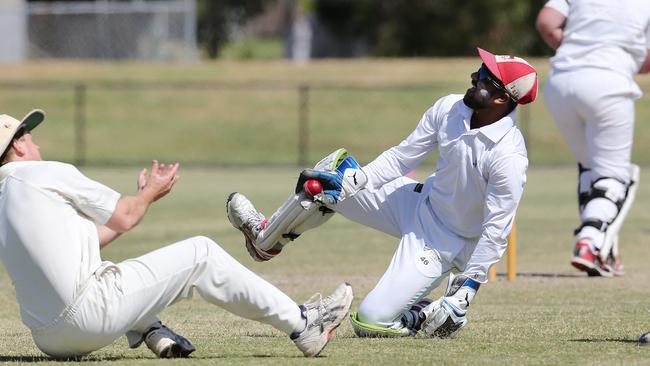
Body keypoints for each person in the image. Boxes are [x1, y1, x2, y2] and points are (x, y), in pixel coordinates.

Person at [227, 48, 537, 338]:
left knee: (370, 321)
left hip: (447, 243)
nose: (474, 75)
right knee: (329, 179)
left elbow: (497, 229)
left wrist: (466, 291)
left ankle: (420, 315)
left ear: (501, 98)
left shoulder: (509, 156)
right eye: (481, 68)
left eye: (485, 75)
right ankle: (266, 241)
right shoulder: (450, 108)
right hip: (417, 202)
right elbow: (402, 157)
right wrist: (357, 181)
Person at [0, 109, 353, 359]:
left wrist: (142, 200)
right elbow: (123, 216)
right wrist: (147, 195)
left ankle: (153, 332)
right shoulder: (42, 173)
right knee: (201, 253)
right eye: (30, 138)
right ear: (18, 146)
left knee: (108, 271)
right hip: (89, 319)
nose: (37, 146)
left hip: (47, 337)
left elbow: (91, 238)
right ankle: (303, 324)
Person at [536, 0, 650, 277]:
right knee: (615, 176)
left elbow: (547, 23)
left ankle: (604, 254)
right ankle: (589, 242)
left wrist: (579, 51)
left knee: (591, 168)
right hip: (609, 82)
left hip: (561, 82)